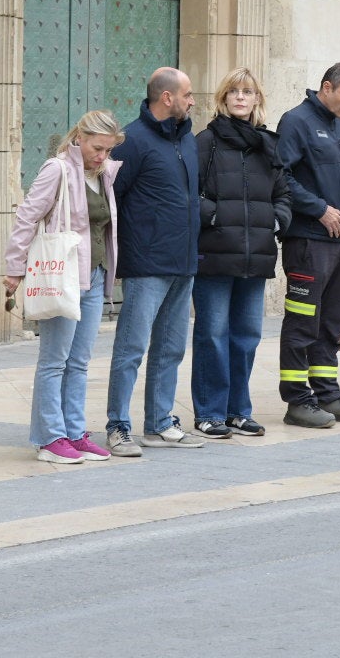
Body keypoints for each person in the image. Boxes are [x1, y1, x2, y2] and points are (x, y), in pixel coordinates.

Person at [5, 110, 122, 464]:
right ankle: (49, 437)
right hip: (62, 275)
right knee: (54, 360)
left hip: (94, 275)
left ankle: (74, 432)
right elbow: (27, 215)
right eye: (97, 148)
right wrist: (14, 267)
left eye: (108, 150)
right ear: (79, 138)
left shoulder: (102, 175)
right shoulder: (57, 169)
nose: (101, 156)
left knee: (80, 361)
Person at [104, 68, 205, 455]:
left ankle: (159, 423)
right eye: (188, 94)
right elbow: (112, 200)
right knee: (131, 348)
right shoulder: (132, 141)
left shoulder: (187, 140)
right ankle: (118, 425)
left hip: (184, 263)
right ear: (167, 98)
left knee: (171, 348)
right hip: (147, 264)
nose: (192, 101)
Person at [190, 69, 290, 439]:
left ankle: (238, 411)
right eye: (233, 91)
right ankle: (210, 412)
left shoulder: (268, 145)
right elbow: (190, 193)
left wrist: (277, 220)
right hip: (214, 255)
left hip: (256, 255)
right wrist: (213, 215)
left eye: (247, 91)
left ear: (257, 99)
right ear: (222, 98)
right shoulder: (206, 142)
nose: (240, 97)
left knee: (246, 335)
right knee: (212, 334)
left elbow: (284, 193)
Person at [275, 61, 340, 429]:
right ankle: (297, 401)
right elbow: (280, 175)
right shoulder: (296, 121)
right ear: (326, 87)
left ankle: (328, 394)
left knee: (331, 322)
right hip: (309, 242)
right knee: (302, 322)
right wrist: (318, 210)